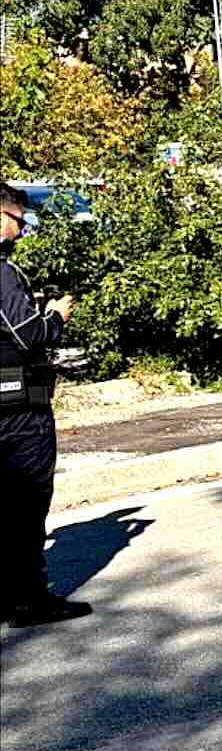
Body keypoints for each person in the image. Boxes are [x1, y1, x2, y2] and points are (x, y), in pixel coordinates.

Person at [0, 184, 89, 627]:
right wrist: (55, 316)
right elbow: (27, 334)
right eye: (19, 220)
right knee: (27, 502)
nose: (21, 230)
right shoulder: (2, 273)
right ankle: (29, 600)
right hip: (18, 412)